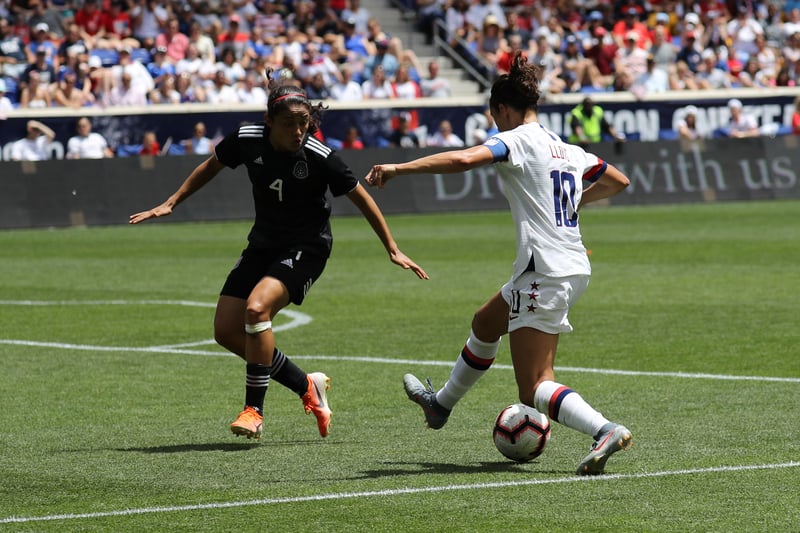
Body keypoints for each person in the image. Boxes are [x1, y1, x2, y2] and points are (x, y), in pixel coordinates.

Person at [365, 52, 633, 476]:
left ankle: (604, 429)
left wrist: (400, 168)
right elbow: (619, 180)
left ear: (503, 110)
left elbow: (462, 160)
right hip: (571, 265)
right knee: (487, 321)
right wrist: (575, 202)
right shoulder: (566, 147)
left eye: (495, 119)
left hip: (544, 270)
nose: (495, 127)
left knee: (534, 384)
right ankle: (440, 406)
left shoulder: (519, 140)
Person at [129, 79, 428, 441]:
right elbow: (213, 164)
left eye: (304, 122)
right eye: (290, 123)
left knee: (256, 311)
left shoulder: (320, 155)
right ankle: (306, 384)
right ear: (269, 121)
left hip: (307, 247)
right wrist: (172, 201)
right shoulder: (247, 138)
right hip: (264, 244)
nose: (299, 130)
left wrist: (392, 248)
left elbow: (360, 196)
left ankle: (254, 411)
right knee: (225, 331)